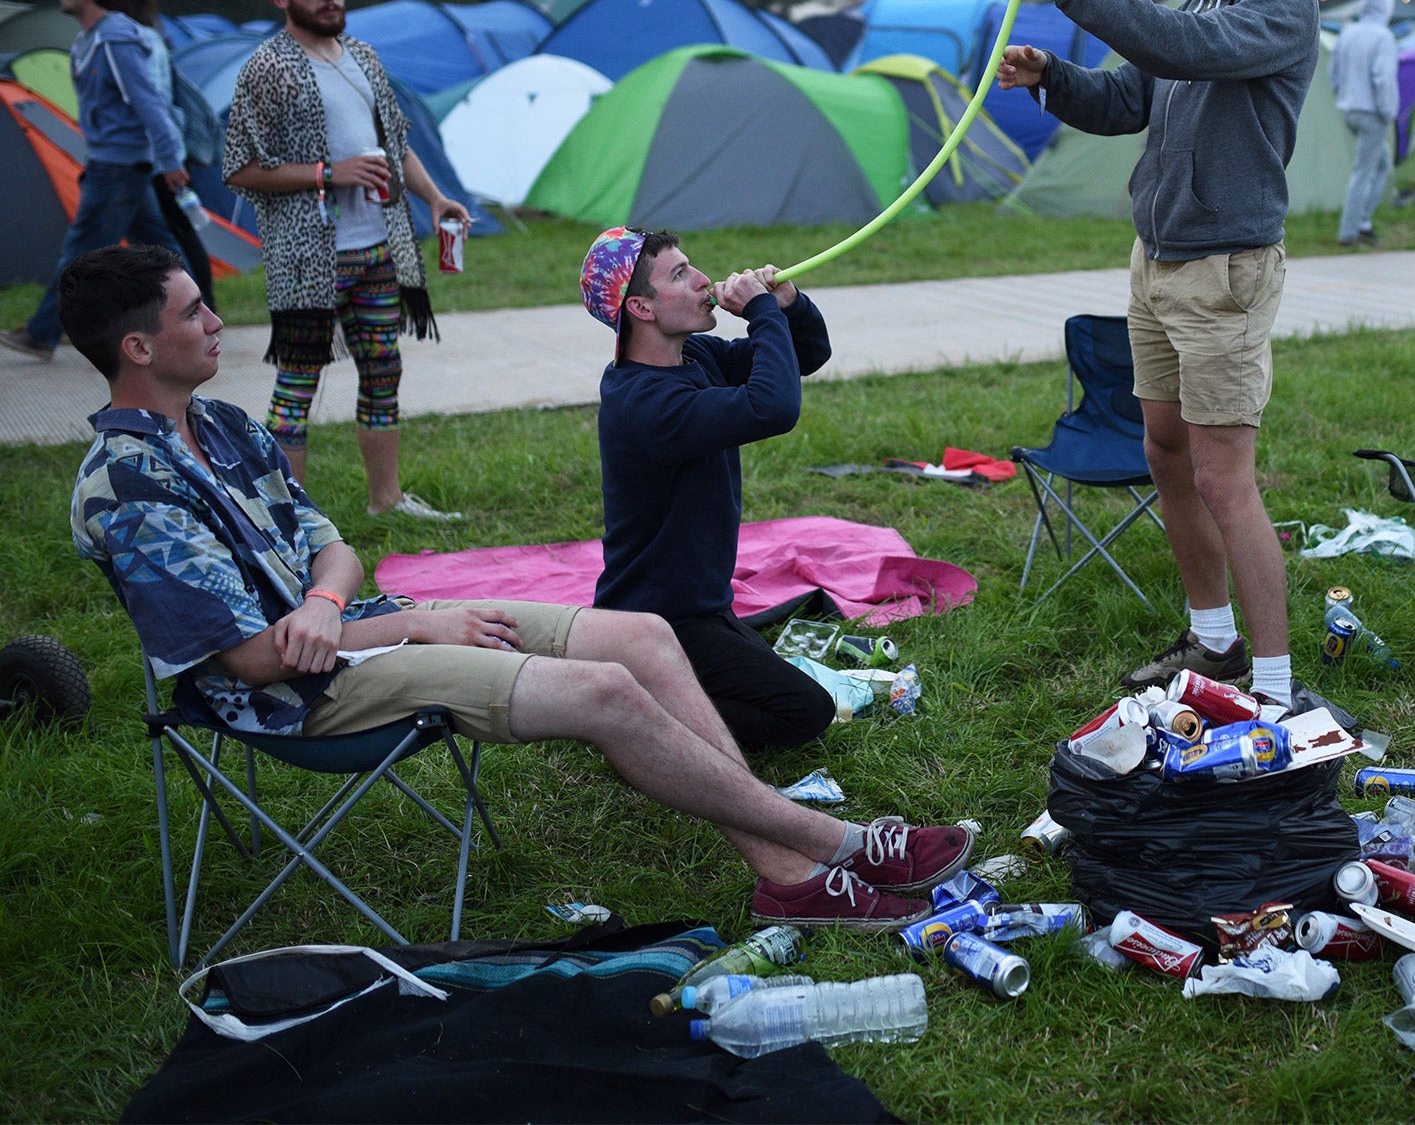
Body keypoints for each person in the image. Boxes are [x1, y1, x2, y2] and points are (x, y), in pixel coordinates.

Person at [63, 242, 969, 928]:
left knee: (642, 638)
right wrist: (418, 628)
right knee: (608, 691)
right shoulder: (126, 483)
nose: (218, 322)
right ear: (139, 345)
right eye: (193, 314)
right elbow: (259, 660)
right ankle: (835, 849)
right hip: (298, 696)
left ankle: (785, 876)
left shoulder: (223, 425)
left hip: (353, 629)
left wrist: (330, 600)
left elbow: (332, 551)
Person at [997, 0, 1320, 705]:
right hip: (1158, 260)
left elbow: (1183, 49)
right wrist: (1051, 76)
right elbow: (1127, 97)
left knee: (1224, 476)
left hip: (1225, 271)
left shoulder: (1281, 4)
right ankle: (1213, 644)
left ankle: (1279, 689)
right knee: (1165, 451)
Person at [222, 0, 469, 519]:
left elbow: (394, 141)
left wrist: (435, 199)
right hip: (311, 259)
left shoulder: (363, 57)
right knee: (298, 384)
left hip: (378, 250)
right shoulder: (268, 68)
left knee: (384, 372)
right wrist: (330, 172)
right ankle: (292, 521)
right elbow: (241, 169)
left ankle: (386, 501)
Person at [583, 227, 836, 750]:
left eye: (692, 265)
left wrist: (788, 306)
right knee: (806, 711)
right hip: (655, 621)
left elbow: (803, 358)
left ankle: (649, 694)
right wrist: (761, 314)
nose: (702, 280)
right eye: (679, 274)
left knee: (785, 691)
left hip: (701, 607)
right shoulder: (643, 404)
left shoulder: (695, 357)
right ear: (642, 309)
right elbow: (774, 407)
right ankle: (628, 714)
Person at [2, 0, 191, 361]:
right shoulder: (90, 38)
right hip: (119, 164)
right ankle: (198, 314)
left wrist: (171, 158)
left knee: (82, 253)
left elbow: (149, 102)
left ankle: (41, 334)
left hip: (118, 168)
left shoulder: (114, 41)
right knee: (159, 245)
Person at [110, 0, 219, 312]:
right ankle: (196, 307)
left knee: (174, 233)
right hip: (162, 152)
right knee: (173, 231)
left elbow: (152, 103)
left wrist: (167, 159)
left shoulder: (141, 40)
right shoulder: (149, 35)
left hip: (158, 156)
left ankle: (199, 307)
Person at [1330, 0, 1401, 246]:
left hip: (1349, 109)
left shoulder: (1348, 32)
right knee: (1363, 171)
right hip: (1372, 112)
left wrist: (1342, 96)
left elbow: (1333, 72)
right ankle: (1350, 232)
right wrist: (1388, 112)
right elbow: (1383, 78)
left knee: (1381, 164)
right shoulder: (1383, 37)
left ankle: (1363, 222)